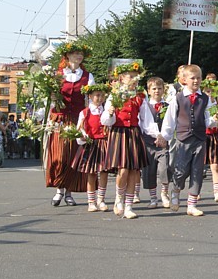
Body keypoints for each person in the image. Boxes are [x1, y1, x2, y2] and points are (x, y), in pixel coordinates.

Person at [160, 64, 218, 217]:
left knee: (197, 171)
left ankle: (192, 204)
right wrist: (164, 136)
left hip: (199, 138)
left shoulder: (205, 99)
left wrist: (213, 120)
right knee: (180, 170)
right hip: (183, 139)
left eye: (198, 78)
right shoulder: (178, 98)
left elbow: (207, 118)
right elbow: (170, 119)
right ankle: (176, 190)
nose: (196, 81)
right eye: (193, 78)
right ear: (184, 80)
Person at [101, 61, 152, 219]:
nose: (134, 80)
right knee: (123, 170)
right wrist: (109, 113)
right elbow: (105, 120)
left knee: (133, 171)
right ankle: (118, 199)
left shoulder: (140, 97)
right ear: (122, 78)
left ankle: (129, 206)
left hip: (133, 134)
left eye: (136, 77)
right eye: (131, 77)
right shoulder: (114, 95)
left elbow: (146, 119)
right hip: (119, 133)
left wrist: (157, 135)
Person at [47, 43, 94, 206]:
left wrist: (89, 122)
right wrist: (52, 102)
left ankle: (68, 192)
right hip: (60, 118)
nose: (78, 56)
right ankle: (59, 189)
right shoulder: (57, 75)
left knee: (74, 156)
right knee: (60, 155)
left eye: (80, 53)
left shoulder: (88, 76)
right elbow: (49, 99)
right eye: (75, 53)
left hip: (78, 119)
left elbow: (91, 100)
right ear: (67, 56)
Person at [71, 84, 111, 212]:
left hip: (104, 143)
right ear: (90, 96)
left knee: (104, 172)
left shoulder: (106, 111)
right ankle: (91, 201)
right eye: (97, 95)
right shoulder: (84, 112)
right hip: (90, 144)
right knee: (91, 173)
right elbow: (80, 128)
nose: (99, 98)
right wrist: (82, 137)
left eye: (102, 96)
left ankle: (101, 199)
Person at [141, 77, 172, 209]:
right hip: (148, 143)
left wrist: (164, 137)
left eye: (159, 88)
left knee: (164, 168)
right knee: (149, 170)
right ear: (148, 91)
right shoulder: (145, 106)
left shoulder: (168, 106)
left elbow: (171, 123)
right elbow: (143, 124)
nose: (157, 91)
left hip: (163, 143)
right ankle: (153, 197)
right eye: (154, 89)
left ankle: (164, 193)